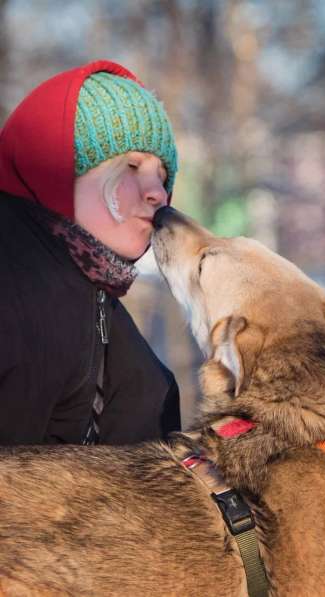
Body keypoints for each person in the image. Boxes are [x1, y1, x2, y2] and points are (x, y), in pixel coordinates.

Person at [0, 60, 181, 445]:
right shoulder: (14, 286)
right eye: (131, 165)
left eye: (163, 177)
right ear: (58, 170)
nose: (158, 194)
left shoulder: (97, 303)